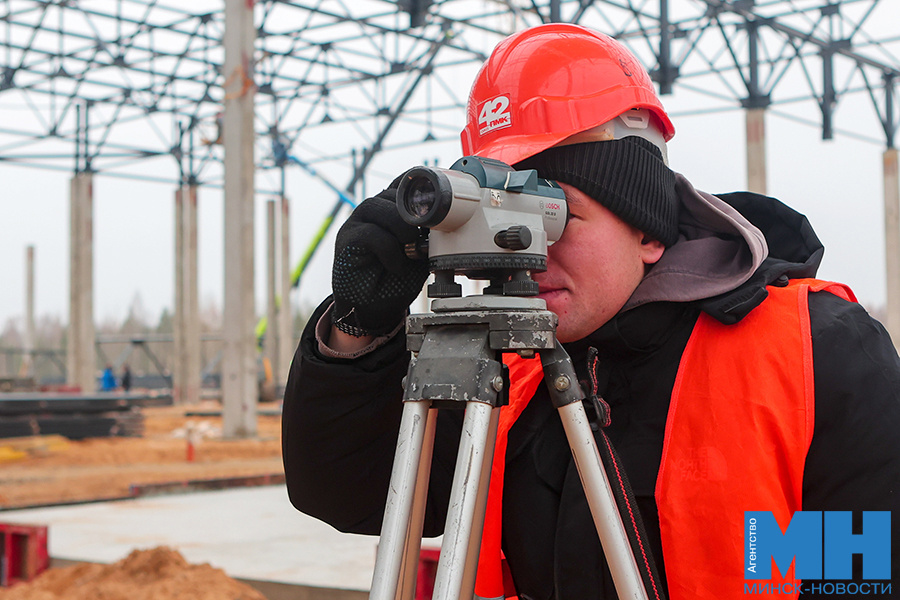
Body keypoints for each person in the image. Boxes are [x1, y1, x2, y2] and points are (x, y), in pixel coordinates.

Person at [282, 23, 900, 600]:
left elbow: (861, 575)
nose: (528, 255)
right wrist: (359, 327)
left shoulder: (812, 353)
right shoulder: (505, 371)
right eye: (503, 225)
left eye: (555, 218)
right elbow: (347, 492)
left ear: (648, 229)